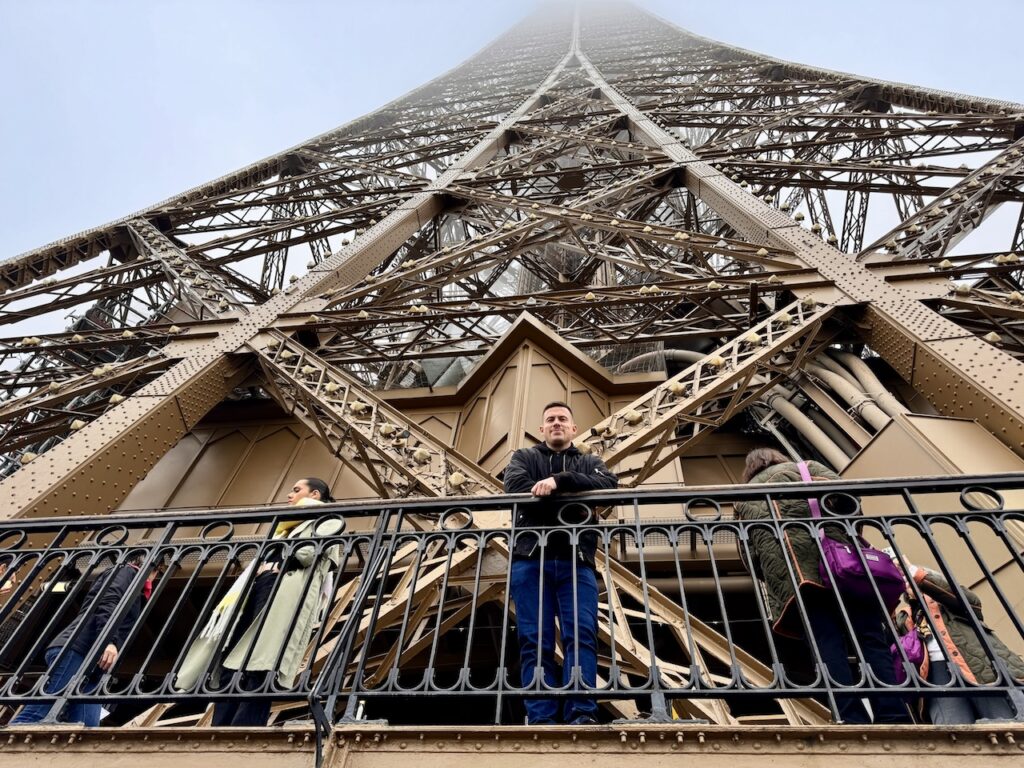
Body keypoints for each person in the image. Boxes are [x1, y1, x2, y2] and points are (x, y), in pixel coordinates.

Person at [734, 447, 910, 724]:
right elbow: (851, 501)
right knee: (870, 640)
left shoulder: (744, 497)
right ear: (778, 458)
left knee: (827, 648)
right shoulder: (809, 468)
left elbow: (750, 556)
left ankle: (850, 717)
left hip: (800, 583)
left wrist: (779, 572)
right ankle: (893, 711)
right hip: (845, 570)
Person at [175, 477, 342, 726]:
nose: (289, 495)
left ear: (315, 494)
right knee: (233, 653)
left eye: (296, 490)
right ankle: (220, 730)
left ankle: (243, 730)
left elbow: (309, 555)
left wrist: (279, 563)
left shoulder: (328, 519)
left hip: (281, 588)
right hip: (261, 585)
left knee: (261, 660)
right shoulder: (284, 527)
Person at [502, 401, 618, 725]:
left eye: (562, 419)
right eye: (550, 419)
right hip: (530, 559)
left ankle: (581, 712)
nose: (556, 423)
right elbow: (514, 488)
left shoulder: (588, 460)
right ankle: (541, 718)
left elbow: (610, 486)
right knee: (533, 638)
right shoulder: (524, 457)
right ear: (541, 429)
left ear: (573, 428)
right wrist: (577, 495)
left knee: (581, 635)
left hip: (576, 560)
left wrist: (559, 481)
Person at [10, 553, 158, 726]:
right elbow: (108, 602)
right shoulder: (127, 572)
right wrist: (109, 641)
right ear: (154, 569)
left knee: (87, 726)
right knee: (40, 712)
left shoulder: (130, 579)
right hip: (77, 649)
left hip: (91, 660)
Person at [894, 562, 1024, 724]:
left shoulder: (950, 601)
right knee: (953, 729)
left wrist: (914, 571)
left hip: (978, 667)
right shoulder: (905, 616)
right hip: (936, 672)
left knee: (1005, 723)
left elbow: (971, 602)